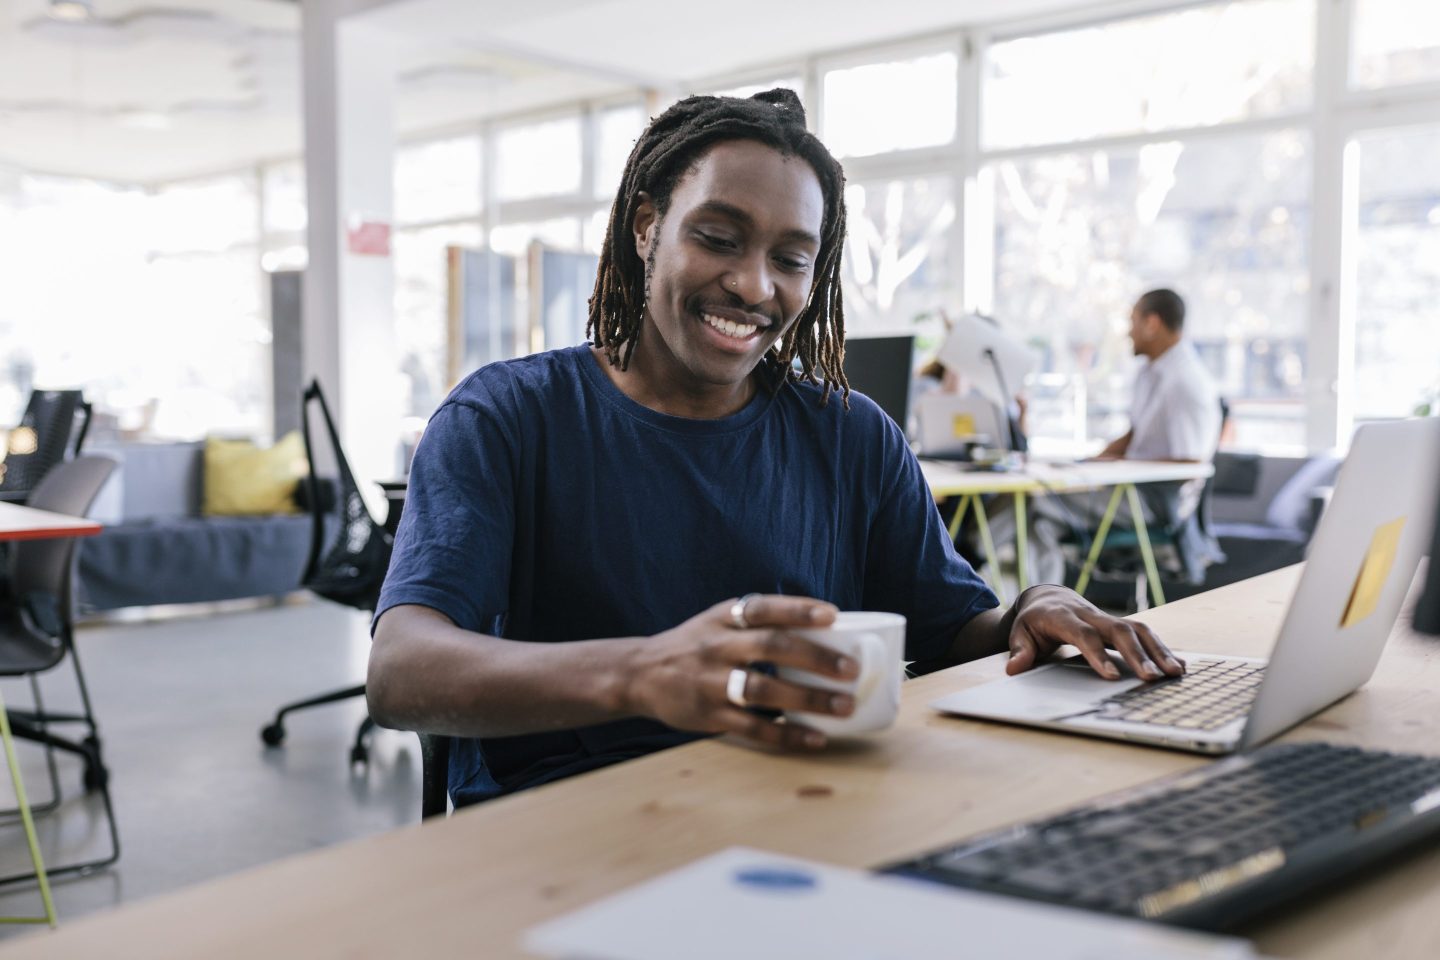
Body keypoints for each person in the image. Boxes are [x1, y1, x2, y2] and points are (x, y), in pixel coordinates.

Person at [367, 90, 1184, 809]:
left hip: (809, 802)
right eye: (719, 237)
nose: (756, 286)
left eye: (791, 258)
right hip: (569, 825)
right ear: (648, 228)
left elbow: (951, 627)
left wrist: (1030, 609)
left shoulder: (853, 434)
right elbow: (402, 671)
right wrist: (639, 673)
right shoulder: (507, 417)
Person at [994, 288, 1224, 586]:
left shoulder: (1185, 381)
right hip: (1130, 487)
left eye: (1133, 321)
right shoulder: (1151, 373)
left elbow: (1191, 462)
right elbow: (1136, 435)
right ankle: (1040, 607)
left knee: (1034, 502)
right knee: (1040, 523)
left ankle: (970, 553)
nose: (1129, 332)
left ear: (1152, 323)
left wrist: (1118, 469)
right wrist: (1090, 461)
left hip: (1153, 499)